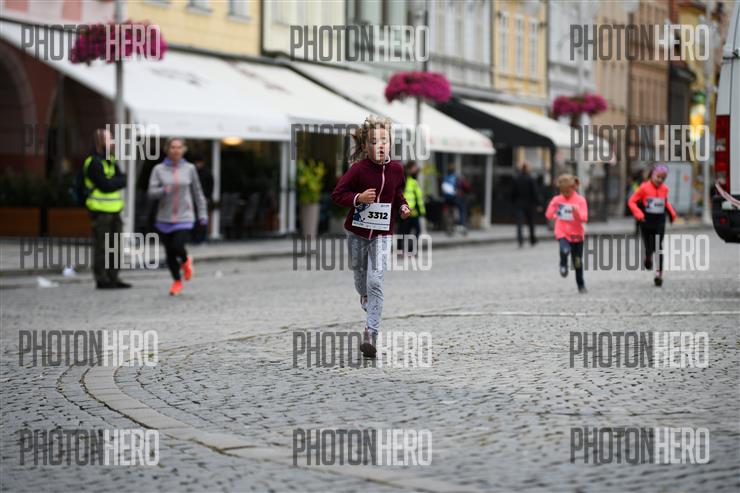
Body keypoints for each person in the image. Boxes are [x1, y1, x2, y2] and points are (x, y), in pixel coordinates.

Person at [331, 115, 411, 358]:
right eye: (374, 142)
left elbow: (397, 193)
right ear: (366, 146)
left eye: (384, 141)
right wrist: (358, 198)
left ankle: (371, 333)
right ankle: (365, 298)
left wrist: (403, 206)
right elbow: (337, 194)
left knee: (375, 281)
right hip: (356, 232)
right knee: (361, 282)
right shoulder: (358, 169)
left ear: (391, 143)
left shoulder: (397, 169)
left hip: (383, 233)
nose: (380, 146)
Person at [148, 138, 208, 296]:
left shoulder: (190, 169)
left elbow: (198, 193)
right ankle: (177, 281)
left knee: (178, 246)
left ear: (184, 150)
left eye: (179, 147)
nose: (176, 150)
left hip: (185, 216)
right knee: (169, 253)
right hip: (164, 217)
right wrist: (163, 190)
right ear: (167, 150)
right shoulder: (158, 170)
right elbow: (151, 193)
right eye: (173, 147)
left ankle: (186, 260)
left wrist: (203, 214)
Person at [84, 128, 131, 289]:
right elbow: (105, 185)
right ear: (100, 142)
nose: (113, 142)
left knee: (115, 247)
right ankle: (102, 279)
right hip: (100, 212)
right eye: (109, 139)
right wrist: (115, 182)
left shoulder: (110, 160)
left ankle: (113, 277)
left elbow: (123, 180)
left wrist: (114, 182)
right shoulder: (93, 162)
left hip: (115, 210)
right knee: (102, 247)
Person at [627, 164, 677, 287]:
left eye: (663, 178)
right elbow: (631, 201)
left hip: (660, 221)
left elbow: (665, 202)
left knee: (658, 247)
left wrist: (672, 214)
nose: (660, 180)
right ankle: (648, 257)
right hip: (646, 221)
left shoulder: (665, 189)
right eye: (658, 177)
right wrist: (639, 214)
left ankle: (659, 274)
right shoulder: (644, 187)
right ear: (652, 175)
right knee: (649, 247)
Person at [545, 174, 589, 294]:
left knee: (577, 262)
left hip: (577, 235)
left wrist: (577, 213)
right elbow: (548, 215)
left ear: (573, 187)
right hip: (562, 231)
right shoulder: (557, 199)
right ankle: (563, 264)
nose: (565, 194)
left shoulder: (580, 200)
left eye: (567, 191)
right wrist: (554, 209)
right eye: (562, 191)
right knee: (564, 249)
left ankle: (581, 284)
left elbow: (584, 218)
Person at [398, 161, 425, 254]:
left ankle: (409, 249)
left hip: (413, 211)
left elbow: (418, 198)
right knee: (404, 230)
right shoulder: (405, 180)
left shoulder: (413, 180)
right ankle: (402, 249)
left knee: (410, 231)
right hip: (407, 210)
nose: (416, 169)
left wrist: (421, 211)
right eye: (414, 167)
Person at [510, 162, 540, 247]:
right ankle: (532, 239)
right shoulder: (531, 179)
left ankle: (520, 240)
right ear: (527, 169)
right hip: (530, 204)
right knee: (531, 223)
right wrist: (538, 203)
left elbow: (513, 193)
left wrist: (513, 202)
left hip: (519, 204)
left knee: (519, 224)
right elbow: (535, 192)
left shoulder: (516, 179)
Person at [191, 154, 214, 244]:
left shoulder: (207, 173)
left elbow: (210, 186)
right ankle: (194, 237)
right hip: (194, 199)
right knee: (194, 219)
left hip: (203, 199)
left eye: (199, 163)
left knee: (202, 220)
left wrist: (207, 197)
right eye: (196, 163)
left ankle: (202, 238)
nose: (198, 165)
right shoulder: (193, 173)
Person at [441, 164, 468, 235]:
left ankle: (449, 227)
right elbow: (465, 186)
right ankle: (461, 225)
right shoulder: (457, 177)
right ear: (454, 170)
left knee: (449, 211)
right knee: (462, 209)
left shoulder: (445, 177)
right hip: (455, 197)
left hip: (447, 198)